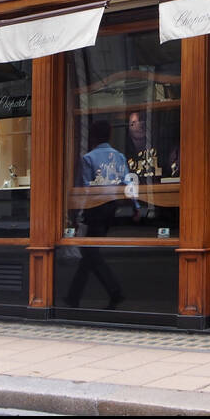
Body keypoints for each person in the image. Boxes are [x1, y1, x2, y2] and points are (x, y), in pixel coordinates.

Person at [66, 120, 126, 310]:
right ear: (109, 134)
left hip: (96, 210)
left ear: (92, 136)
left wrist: (76, 214)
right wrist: (134, 206)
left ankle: (114, 291)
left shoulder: (88, 159)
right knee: (89, 254)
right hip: (112, 208)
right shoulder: (120, 156)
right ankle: (73, 297)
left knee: (90, 252)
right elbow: (128, 182)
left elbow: (84, 190)